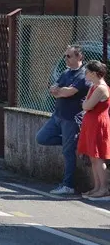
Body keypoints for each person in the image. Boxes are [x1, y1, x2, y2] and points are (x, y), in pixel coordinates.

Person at [36, 45, 89, 195]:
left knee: (68, 152)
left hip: (70, 119)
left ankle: (68, 185)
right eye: (65, 55)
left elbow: (69, 92)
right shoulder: (66, 72)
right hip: (57, 116)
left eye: (69, 56)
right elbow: (54, 87)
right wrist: (57, 90)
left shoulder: (83, 75)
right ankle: (71, 141)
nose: (66, 58)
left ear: (79, 57)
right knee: (41, 138)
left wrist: (59, 92)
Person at [77, 60, 110, 200]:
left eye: (88, 72)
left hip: (98, 124)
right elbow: (86, 104)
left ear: (94, 73)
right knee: (92, 157)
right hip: (90, 124)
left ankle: (104, 189)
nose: (86, 74)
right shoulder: (93, 87)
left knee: (98, 157)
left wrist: (85, 104)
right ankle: (96, 187)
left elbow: (87, 106)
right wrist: (86, 104)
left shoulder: (101, 88)